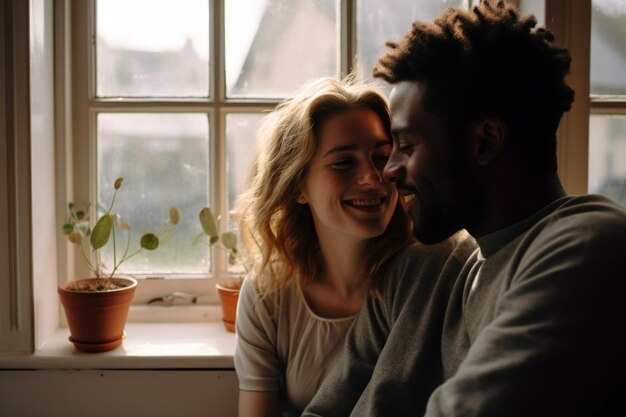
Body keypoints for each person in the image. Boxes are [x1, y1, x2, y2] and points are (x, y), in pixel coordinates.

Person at [303, 1, 626, 416]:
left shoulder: (588, 248)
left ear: (485, 142)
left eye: (406, 147)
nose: (388, 172)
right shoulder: (415, 270)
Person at [232, 75, 476, 417]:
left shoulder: (435, 269)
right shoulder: (268, 293)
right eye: (344, 162)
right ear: (298, 186)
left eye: (382, 156)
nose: (372, 177)